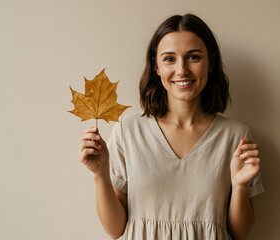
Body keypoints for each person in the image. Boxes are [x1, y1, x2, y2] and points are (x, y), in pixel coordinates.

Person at [78, 14, 264, 240]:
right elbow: (115, 230)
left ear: (211, 62)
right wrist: (100, 174)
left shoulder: (235, 136)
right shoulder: (128, 130)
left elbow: (239, 233)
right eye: (169, 59)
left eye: (193, 57)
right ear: (155, 66)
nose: (182, 70)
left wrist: (240, 186)